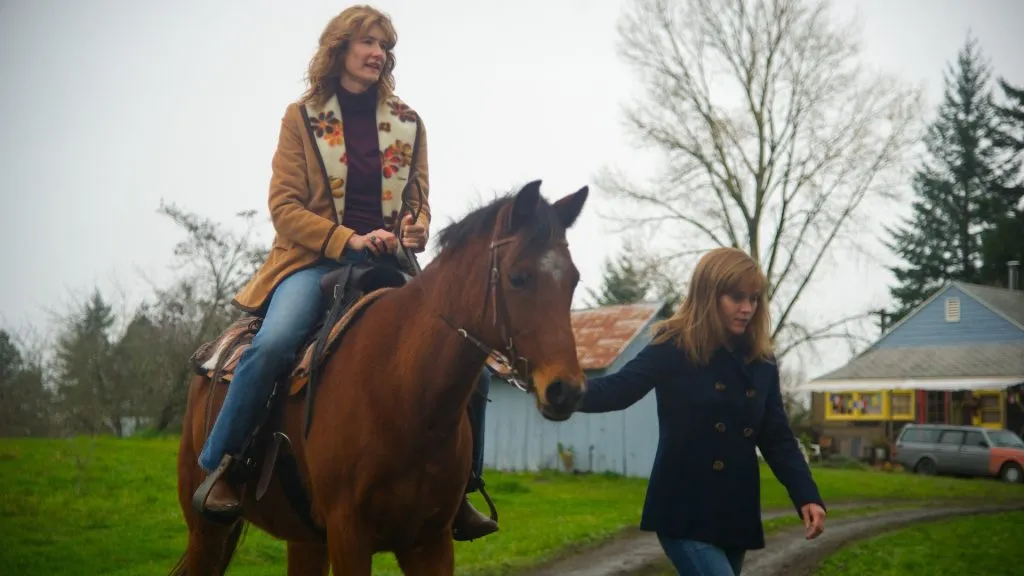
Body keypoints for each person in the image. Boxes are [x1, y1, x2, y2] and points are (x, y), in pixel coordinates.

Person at [192, 4, 498, 541]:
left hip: (388, 265)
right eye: (368, 43)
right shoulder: (302, 117)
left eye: (385, 47)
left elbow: (419, 201)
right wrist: (348, 239)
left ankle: (461, 490)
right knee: (276, 342)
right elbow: (284, 207)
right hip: (313, 262)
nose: (379, 54)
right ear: (339, 50)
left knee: (471, 352)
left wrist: (414, 230)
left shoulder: (407, 122)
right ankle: (223, 467)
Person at [576, 247, 827, 576]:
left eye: (754, 299)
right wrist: (562, 393)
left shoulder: (761, 362)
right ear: (709, 294)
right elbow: (621, 389)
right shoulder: (674, 346)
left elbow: (776, 437)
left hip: (734, 511)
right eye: (736, 298)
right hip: (684, 509)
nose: (747, 308)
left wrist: (806, 494)